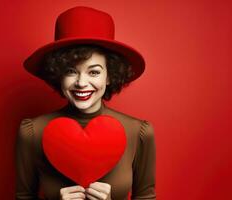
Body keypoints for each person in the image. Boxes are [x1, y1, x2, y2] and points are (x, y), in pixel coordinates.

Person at [15, 6, 156, 200]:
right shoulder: (32, 132)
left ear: (109, 76)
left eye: (94, 72)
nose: (81, 83)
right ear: (58, 74)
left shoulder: (138, 132)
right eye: (71, 71)